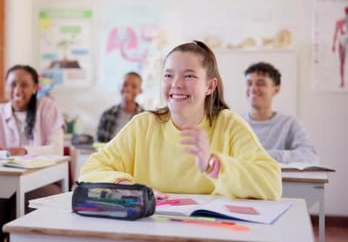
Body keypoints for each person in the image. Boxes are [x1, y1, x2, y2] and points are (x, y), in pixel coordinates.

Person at [79, 41, 282, 201]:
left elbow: (271, 183)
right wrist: (126, 186)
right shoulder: (143, 125)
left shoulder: (228, 125)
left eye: (189, 76)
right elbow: (90, 171)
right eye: (168, 75)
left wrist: (213, 164)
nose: (176, 84)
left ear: (210, 86)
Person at [0, 64, 65, 242]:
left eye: (24, 85)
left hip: (44, 182)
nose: (18, 90)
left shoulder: (48, 108)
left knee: (14, 197)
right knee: (0, 196)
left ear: (35, 88)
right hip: (10, 182)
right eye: (13, 84)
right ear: (6, 87)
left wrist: (25, 150)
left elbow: (56, 148)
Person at [243, 62, 318, 164]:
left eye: (261, 83)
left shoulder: (290, 124)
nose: (253, 88)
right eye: (249, 83)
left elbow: (310, 156)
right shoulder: (236, 123)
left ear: (276, 89)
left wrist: (261, 155)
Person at [96, 71, 144, 142]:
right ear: (120, 86)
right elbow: (99, 144)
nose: (128, 89)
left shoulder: (145, 118)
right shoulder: (107, 115)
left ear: (140, 90)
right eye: (125, 84)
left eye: (133, 86)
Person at [331, 6, 348, 88]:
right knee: (342, 63)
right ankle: (342, 81)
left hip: (343, 41)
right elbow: (335, 33)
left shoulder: (340, 22)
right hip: (342, 42)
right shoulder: (339, 22)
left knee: (342, 63)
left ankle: (342, 81)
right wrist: (333, 44)